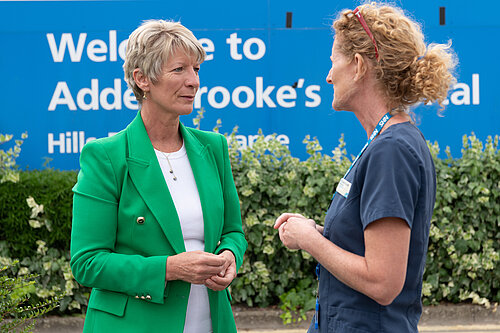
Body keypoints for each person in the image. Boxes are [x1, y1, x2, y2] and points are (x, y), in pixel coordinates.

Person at [274, 3, 456, 332]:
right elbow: (366, 248)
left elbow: (382, 282)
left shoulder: (392, 150)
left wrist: (310, 242)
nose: (328, 76)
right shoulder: (388, 142)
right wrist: (317, 233)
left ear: (358, 66)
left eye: (333, 62)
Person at [70, 20, 247, 333]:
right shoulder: (105, 156)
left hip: (211, 322)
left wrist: (230, 256)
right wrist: (170, 268)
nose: (193, 81)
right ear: (142, 79)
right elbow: (87, 263)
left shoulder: (214, 147)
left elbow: (233, 231)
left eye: (196, 69)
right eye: (179, 69)